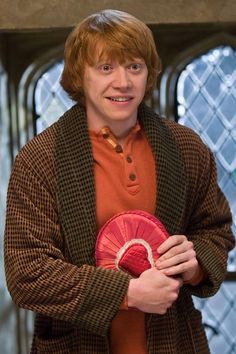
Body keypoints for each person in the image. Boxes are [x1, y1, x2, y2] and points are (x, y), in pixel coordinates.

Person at [4, 9, 234, 354]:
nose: (123, 82)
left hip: (176, 343)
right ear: (80, 76)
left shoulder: (187, 147)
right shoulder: (39, 159)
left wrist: (195, 263)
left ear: (148, 74)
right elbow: (28, 272)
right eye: (106, 67)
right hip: (75, 346)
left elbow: (216, 232)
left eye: (134, 67)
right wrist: (126, 294)